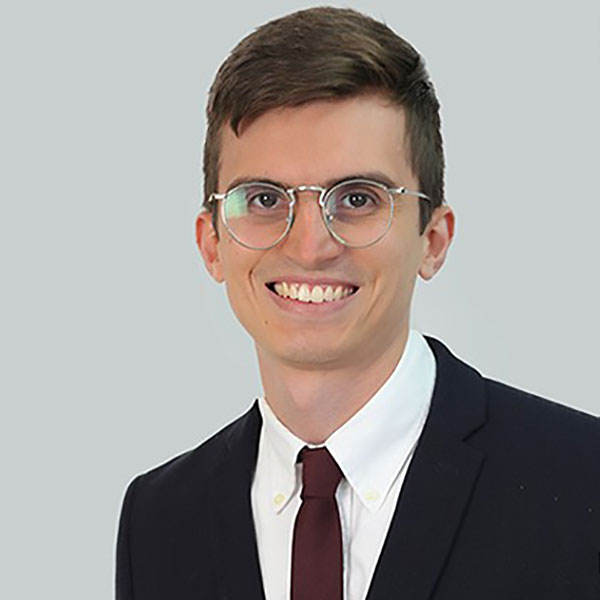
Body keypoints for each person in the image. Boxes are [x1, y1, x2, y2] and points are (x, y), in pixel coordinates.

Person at [116, 7, 599, 599]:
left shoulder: (583, 483)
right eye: (264, 198)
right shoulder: (159, 520)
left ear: (433, 239)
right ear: (212, 244)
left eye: (358, 198)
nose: (310, 246)